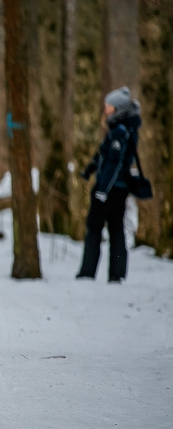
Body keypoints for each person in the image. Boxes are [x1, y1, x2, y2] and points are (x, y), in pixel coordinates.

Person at [76, 86, 145, 283]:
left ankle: (88, 272)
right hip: (118, 189)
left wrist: (102, 190)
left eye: (109, 107)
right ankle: (116, 274)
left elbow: (114, 164)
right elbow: (105, 157)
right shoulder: (123, 129)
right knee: (115, 229)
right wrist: (91, 169)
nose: (106, 110)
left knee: (95, 226)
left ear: (118, 109)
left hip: (111, 189)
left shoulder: (120, 132)